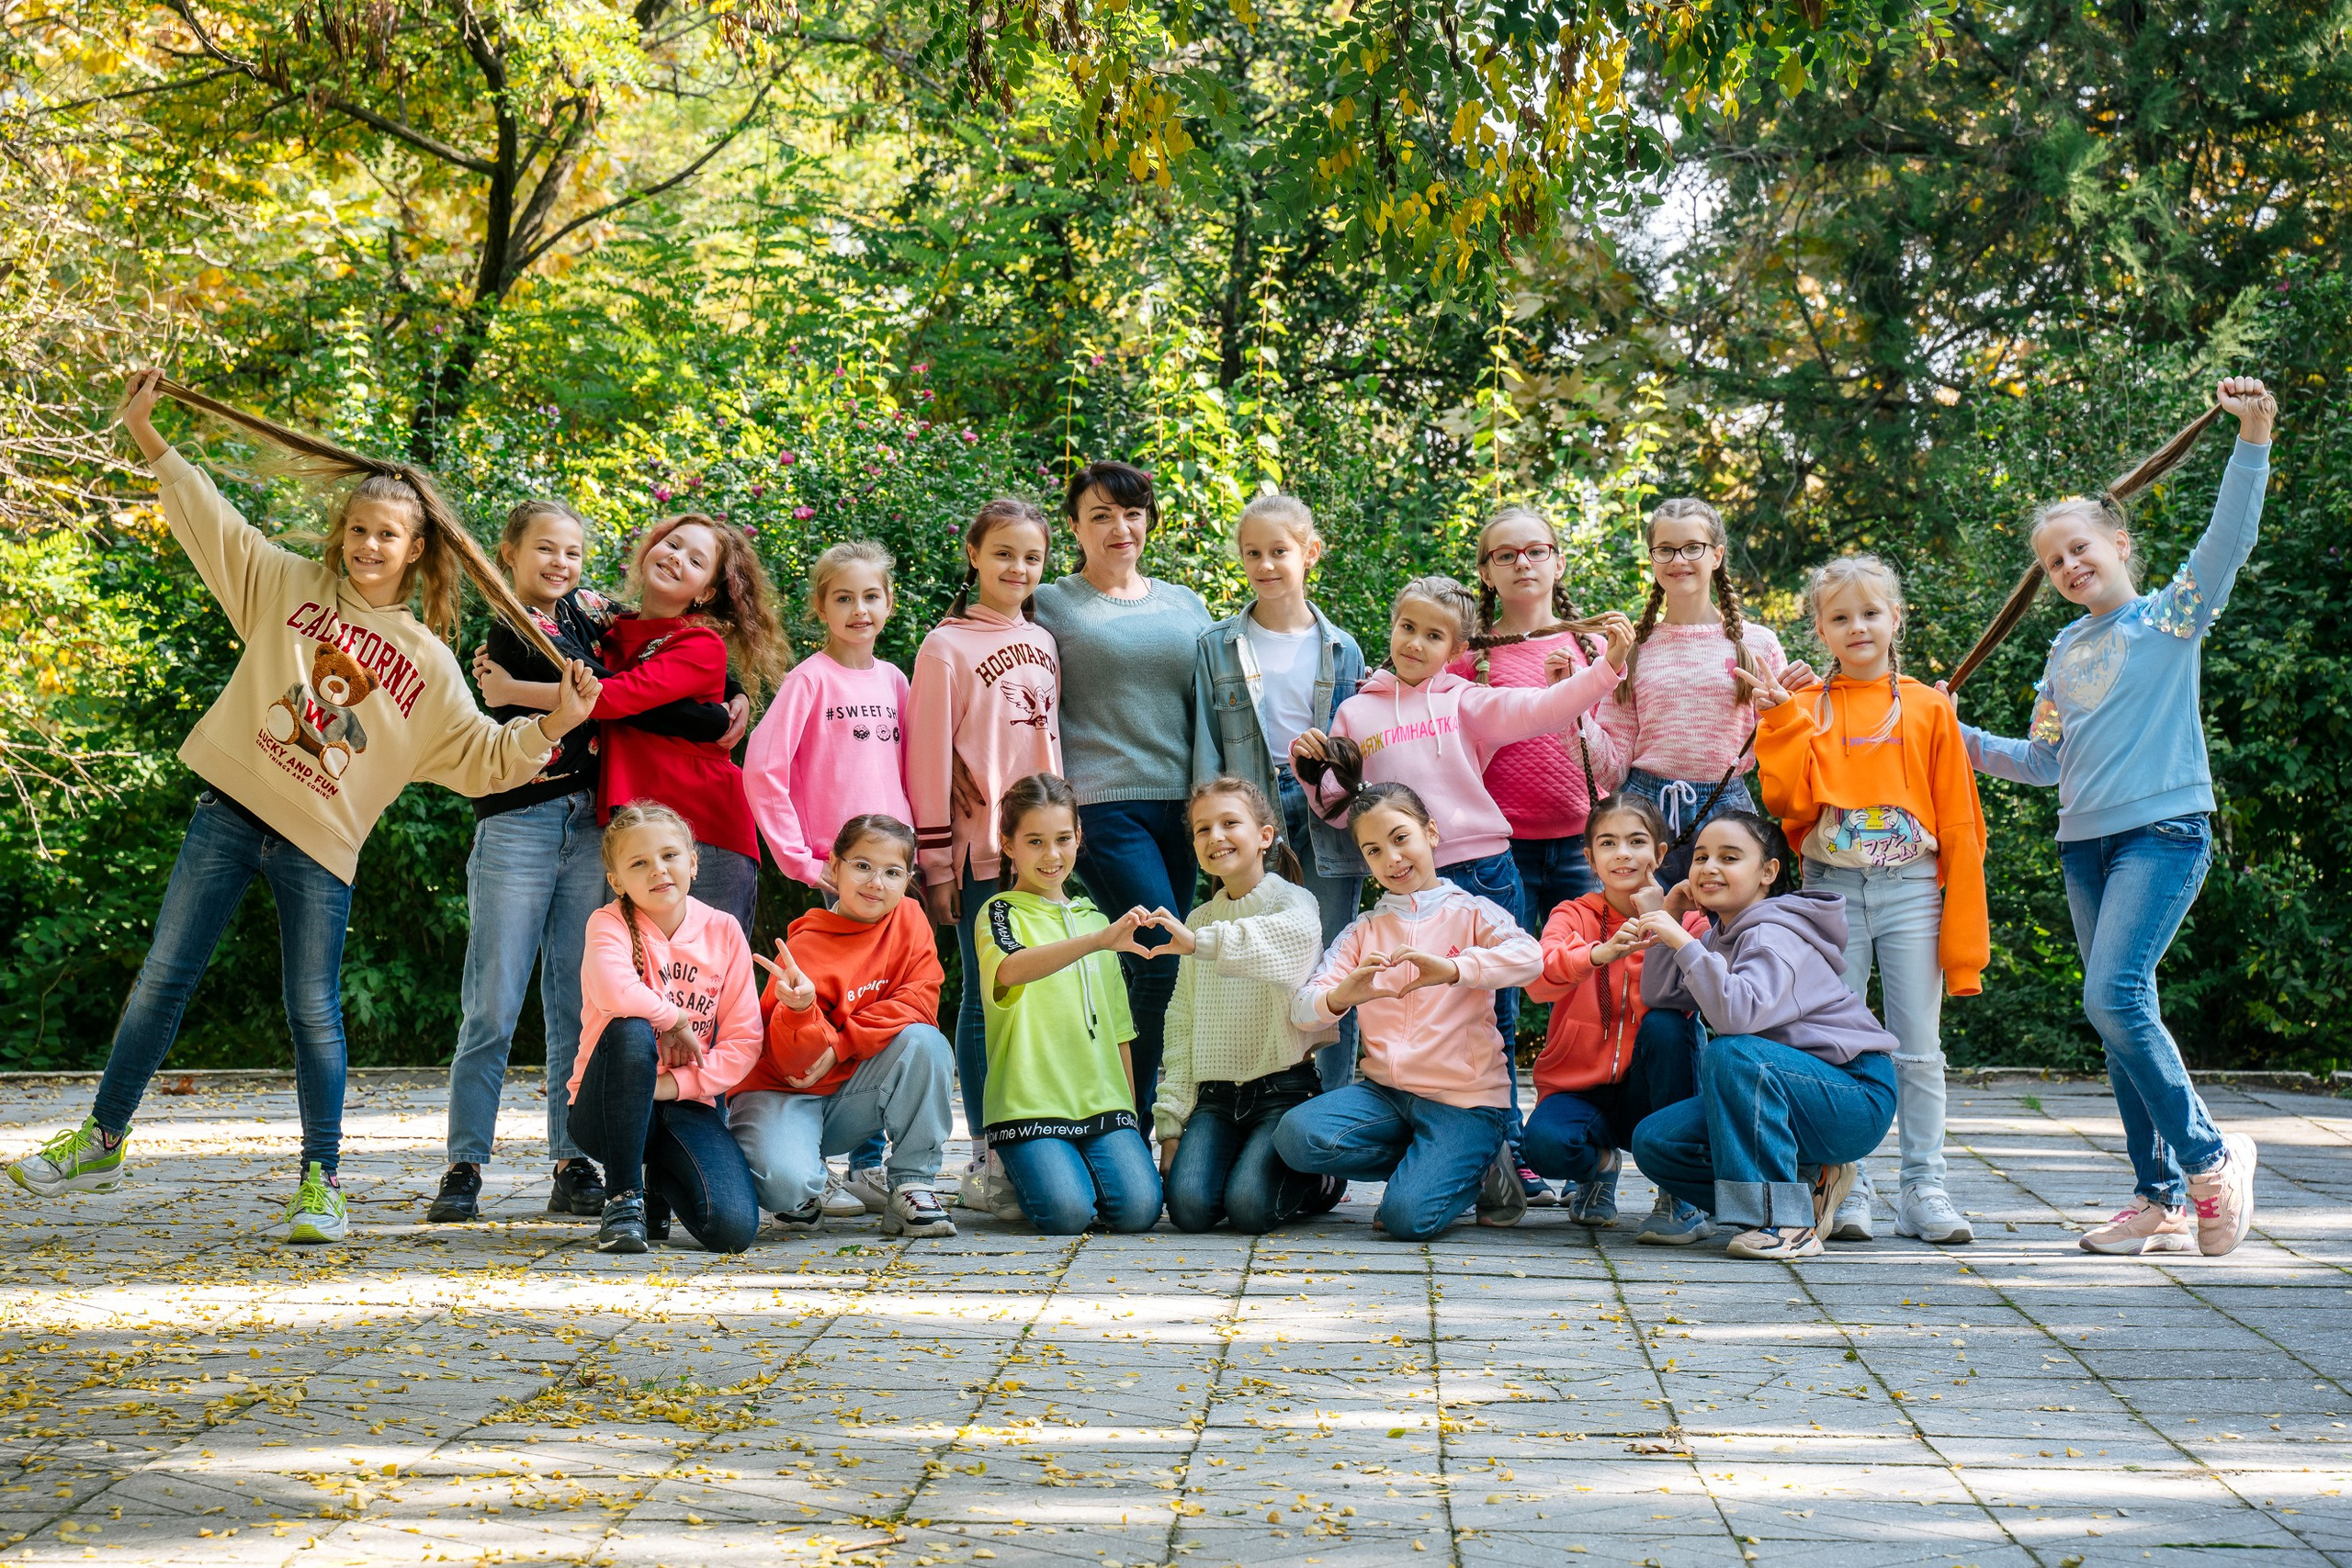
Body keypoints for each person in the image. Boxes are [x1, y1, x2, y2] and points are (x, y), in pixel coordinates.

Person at [8, 370, 598, 1245]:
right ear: (342, 533)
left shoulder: (429, 662)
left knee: (312, 1008)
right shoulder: (284, 587)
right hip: (231, 811)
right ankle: (101, 1136)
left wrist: (554, 722)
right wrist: (145, 431)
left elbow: (481, 760)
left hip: (320, 844)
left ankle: (321, 1181)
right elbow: (208, 516)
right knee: (162, 979)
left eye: (386, 534)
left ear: (415, 548)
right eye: (358, 529)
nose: (368, 545)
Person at [1954, 377, 2276, 1258]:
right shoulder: (2063, 651)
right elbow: (2044, 760)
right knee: (2117, 1015)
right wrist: (1955, 731)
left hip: (2162, 835)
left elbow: (2229, 540)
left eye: (2080, 547)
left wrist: (2253, 435)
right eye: (2054, 561)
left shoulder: (2169, 619)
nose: (2068, 567)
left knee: (2114, 996)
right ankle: (2160, 1196)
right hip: (2084, 847)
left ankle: (2211, 1160)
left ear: (2119, 541)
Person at [430, 498, 747, 1226]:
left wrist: (728, 698)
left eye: (571, 553)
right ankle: (465, 1163)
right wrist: (513, 693)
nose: (558, 564)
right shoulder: (510, 627)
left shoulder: (592, 616)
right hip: (517, 818)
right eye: (543, 549)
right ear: (508, 554)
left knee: (578, 1005)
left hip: (592, 822)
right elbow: (597, 700)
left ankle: (571, 1160)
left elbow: (649, 685)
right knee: (494, 1000)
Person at [1293, 575, 1632, 1207]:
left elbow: (1542, 708)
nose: (1415, 643)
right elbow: (1343, 810)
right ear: (1390, 628)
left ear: (1455, 646)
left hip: (1480, 872)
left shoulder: (1465, 700)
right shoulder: (1356, 712)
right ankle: (1434, 1139)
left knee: (1495, 1018)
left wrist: (1605, 669)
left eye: (1433, 635)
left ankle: (1508, 1153)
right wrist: (1311, 770)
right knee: (1402, 1006)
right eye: (1406, 628)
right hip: (1403, 889)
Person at [1749, 554, 1987, 1245]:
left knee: (1917, 1047)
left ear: (1896, 618)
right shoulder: (1809, 706)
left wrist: (1964, 915)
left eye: (1871, 613)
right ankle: (1848, 1184)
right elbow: (1787, 802)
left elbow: (1959, 819)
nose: (1858, 626)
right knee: (1836, 1046)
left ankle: (1924, 1185)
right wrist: (1780, 717)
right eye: (1841, 616)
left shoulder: (1927, 705)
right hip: (1832, 888)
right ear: (1820, 629)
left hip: (1912, 888)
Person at [1450, 503, 1628, 1203]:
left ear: (1559, 560)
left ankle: (1594, 1159)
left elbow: (1614, 768)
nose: (1523, 563)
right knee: (1497, 1001)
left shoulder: (1594, 649)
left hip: (1582, 848)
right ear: (1487, 572)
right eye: (1505, 555)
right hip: (1499, 851)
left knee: (1593, 997)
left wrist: (1574, 696)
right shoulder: (1471, 655)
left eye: (1536, 550)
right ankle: (1510, 1150)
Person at [1275, 783, 1544, 1241]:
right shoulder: (1364, 931)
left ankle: (1482, 1164)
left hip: (1466, 1103)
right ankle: (1432, 1163)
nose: (1393, 859)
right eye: (1374, 850)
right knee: (1296, 1136)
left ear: (1431, 833)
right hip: (1387, 1097)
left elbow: (1531, 959)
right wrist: (1343, 996)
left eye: (1401, 839)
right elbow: (1303, 1010)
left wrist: (1457, 969)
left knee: (1405, 1219)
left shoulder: (1474, 913)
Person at [1627, 813, 1899, 1261]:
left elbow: (1738, 1017)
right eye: (1700, 857)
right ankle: (1807, 1187)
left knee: (1731, 1054)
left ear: (1768, 872)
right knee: (1657, 1142)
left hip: (1853, 1093)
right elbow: (1662, 994)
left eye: (1729, 857)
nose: (1709, 867)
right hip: (1786, 1092)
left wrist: (1682, 941)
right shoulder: (1721, 935)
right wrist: (1670, 919)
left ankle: (1785, 1224)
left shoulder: (1775, 933)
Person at [1032, 460, 1213, 1123]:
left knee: (1162, 962)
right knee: (1161, 951)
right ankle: (1131, 1117)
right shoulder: (1051, 601)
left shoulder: (1186, 602)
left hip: (1186, 810)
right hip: (1104, 805)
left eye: (1132, 512)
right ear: (1075, 526)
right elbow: (974, 634)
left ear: (1149, 521)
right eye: (1101, 514)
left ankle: (1137, 1104)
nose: (1119, 526)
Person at [744, 539, 911, 1218]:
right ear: (821, 607)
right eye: (843, 597)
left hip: (894, 875)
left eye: (870, 595)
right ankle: (818, 1154)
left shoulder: (896, 681)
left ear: (889, 603)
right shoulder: (810, 680)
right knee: (835, 1006)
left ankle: (870, 1163)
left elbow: (907, 776)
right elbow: (763, 769)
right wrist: (801, 858)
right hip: (836, 874)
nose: (858, 608)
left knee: (882, 1009)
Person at [906, 498, 1061, 1212]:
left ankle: (1027, 1135)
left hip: (1043, 848)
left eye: (1031, 556)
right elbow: (928, 758)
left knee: (1030, 994)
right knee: (982, 993)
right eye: (1004, 553)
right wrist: (936, 862)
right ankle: (985, 1154)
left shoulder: (1043, 638)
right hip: (976, 849)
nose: (1018, 568)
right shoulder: (946, 645)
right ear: (974, 554)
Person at [1191, 493, 1366, 1091]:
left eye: (1279, 551)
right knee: (1255, 958)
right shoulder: (1217, 644)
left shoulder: (1342, 647)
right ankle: (1260, 1103)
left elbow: (1354, 749)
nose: (1265, 565)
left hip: (1325, 814)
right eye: (1253, 553)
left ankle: (1330, 1112)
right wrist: (1215, 825)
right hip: (1251, 809)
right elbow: (1207, 745)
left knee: (1329, 963)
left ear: (1309, 552)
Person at [726, 815, 957, 1238]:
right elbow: (797, 1066)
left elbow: (920, 1002)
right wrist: (800, 1009)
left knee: (926, 1043)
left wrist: (843, 1043)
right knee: (786, 1187)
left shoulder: (910, 919)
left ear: (908, 880)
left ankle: (912, 1184)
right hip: (786, 1089)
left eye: (892, 872)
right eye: (862, 866)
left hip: (849, 1086)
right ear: (834, 867)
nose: (876, 882)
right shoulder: (804, 947)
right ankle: (805, 1178)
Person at [579, 512, 789, 937]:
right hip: (633, 834)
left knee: (709, 982)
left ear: (706, 592)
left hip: (705, 831)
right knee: (636, 984)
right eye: (673, 545)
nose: (678, 559)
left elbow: (610, 698)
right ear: (650, 549)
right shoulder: (605, 633)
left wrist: (515, 689)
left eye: (696, 561)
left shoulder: (699, 643)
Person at [971, 773, 1164, 1235]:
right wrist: (1096, 942)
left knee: (1140, 1212)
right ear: (1009, 844)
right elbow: (1010, 969)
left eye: (1062, 839)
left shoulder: (1095, 918)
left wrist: (1132, 1118)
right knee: (1067, 1215)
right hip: (1029, 1105)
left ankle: (1077, 1168)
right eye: (1035, 841)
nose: (1051, 855)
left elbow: (1120, 1029)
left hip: (1102, 1104)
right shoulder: (1000, 912)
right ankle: (999, 1174)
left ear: (1079, 837)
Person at [568, 802, 763, 1255]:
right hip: (602, 1109)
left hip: (683, 1102)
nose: (658, 869)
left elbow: (744, 1042)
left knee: (732, 1231)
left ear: (693, 862)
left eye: (670, 855)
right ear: (617, 881)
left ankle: (660, 1181)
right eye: (639, 863)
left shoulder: (724, 930)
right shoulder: (608, 923)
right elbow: (617, 993)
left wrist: (670, 1086)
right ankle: (624, 1198)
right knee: (632, 1028)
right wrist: (674, 1018)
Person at [1521, 794, 1712, 1243]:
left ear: (1660, 854)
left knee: (1668, 1024)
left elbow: (1704, 990)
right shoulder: (1572, 915)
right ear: (1590, 857)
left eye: (1636, 841)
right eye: (1608, 843)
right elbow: (1539, 979)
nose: (1622, 853)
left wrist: (1662, 919)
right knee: (1544, 1145)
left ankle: (1677, 1193)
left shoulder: (1690, 920)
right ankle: (1601, 1166)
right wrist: (1597, 954)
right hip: (1581, 1088)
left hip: (1656, 1092)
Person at [1155, 778, 1340, 1234]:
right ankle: (1246, 1161)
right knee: (1189, 1210)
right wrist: (1172, 1123)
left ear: (1264, 836)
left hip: (1284, 1091)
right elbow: (1181, 1024)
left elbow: (1280, 946)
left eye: (1229, 823)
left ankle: (1323, 1177)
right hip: (1217, 1098)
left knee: (1250, 1210)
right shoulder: (1199, 919)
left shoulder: (1294, 902)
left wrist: (1201, 943)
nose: (1215, 836)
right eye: (1202, 829)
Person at [1598, 498, 1790, 889]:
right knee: (1643, 933)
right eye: (1665, 549)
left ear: (1716, 555)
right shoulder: (1631, 647)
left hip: (1726, 804)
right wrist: (1573, 716)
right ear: (1652, 558)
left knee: (1729, 931)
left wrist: (1785, 712)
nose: (1678, 559)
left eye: (1692, 548)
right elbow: (1612, 769)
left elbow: (1780, 749)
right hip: (1643, 812)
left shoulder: (1759, 644)